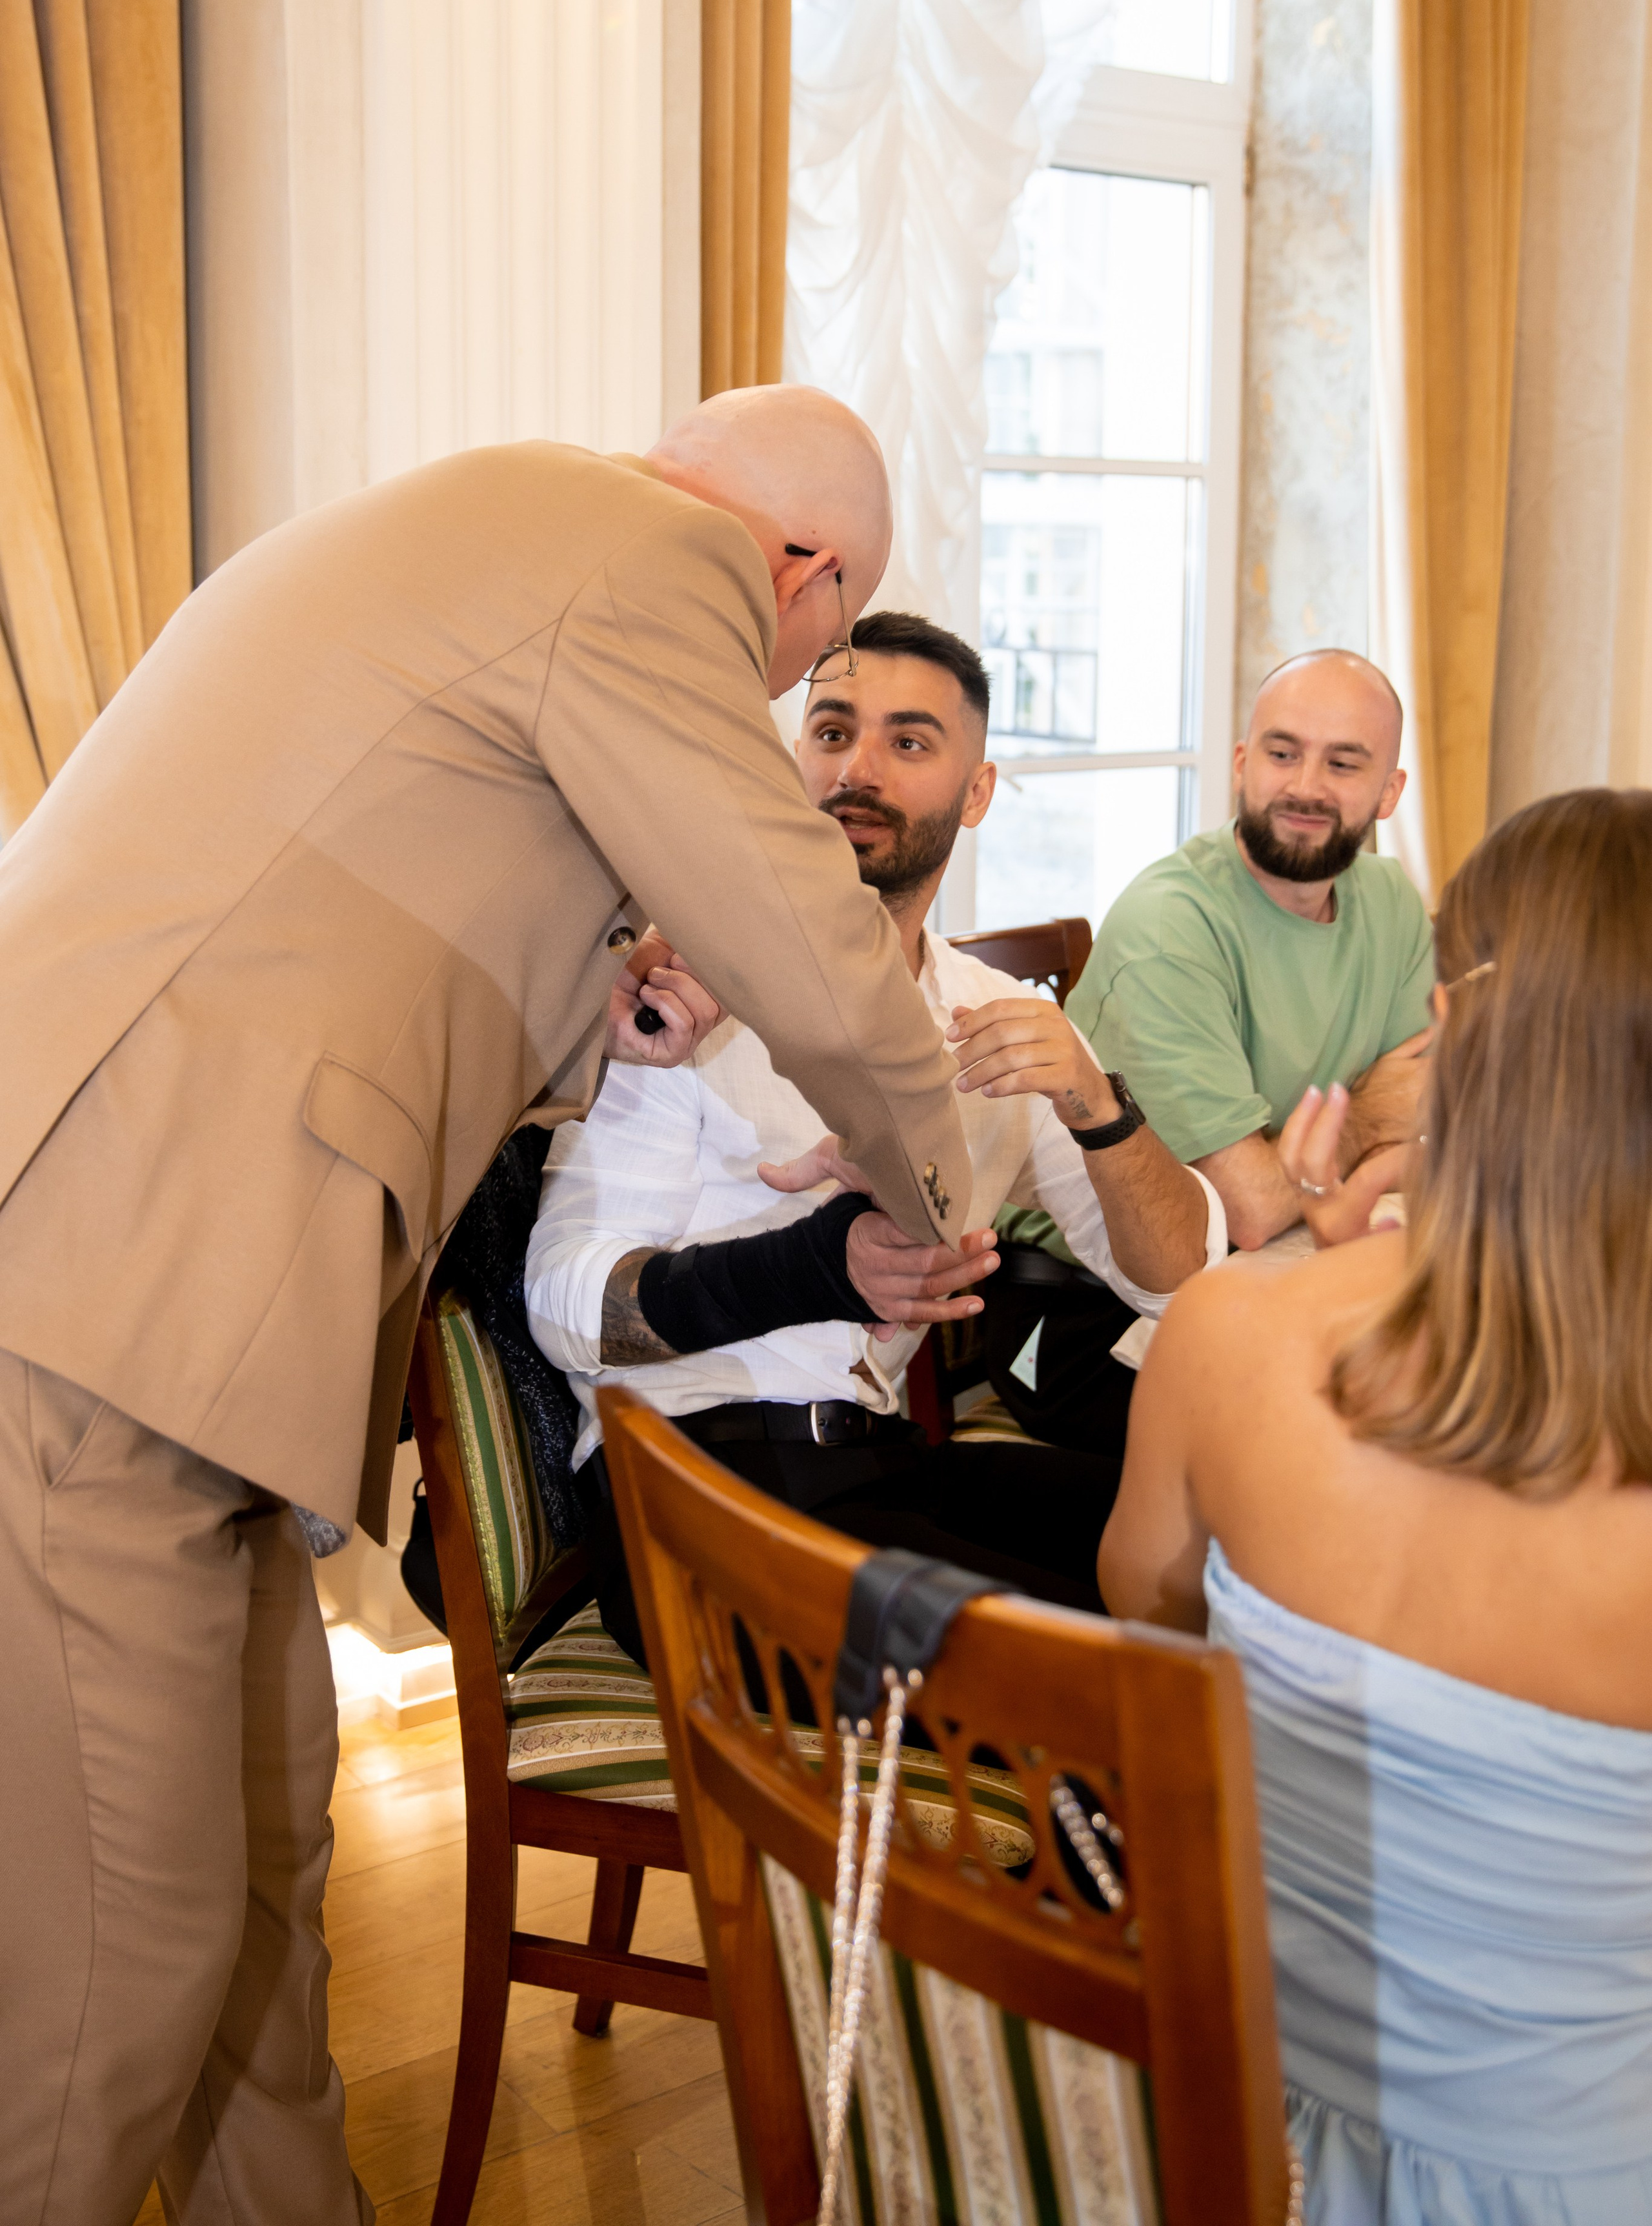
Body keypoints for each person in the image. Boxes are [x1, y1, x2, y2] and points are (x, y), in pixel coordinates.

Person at [0, 388, 982, 2226]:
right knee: (121, 1975)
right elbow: (832, 968)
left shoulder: (509, 533)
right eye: (813, 672)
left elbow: (379, 912)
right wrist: (947, 1208)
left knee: (261, 1908)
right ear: (810, 585)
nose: (785, 703)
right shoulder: (654, 562)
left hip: (174, 1302)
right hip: (103, 1282)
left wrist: (594, 985)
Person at [1100, 787, 1652, 2224]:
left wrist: (1329, 1262)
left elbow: (1151, 1625)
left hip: (1216, 2139)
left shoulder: (1227, 1336)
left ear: (1453, 1030)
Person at [525, 612, 1225, 1661]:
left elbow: (1185, 1279)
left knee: (1233, 1557)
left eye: (908, 742)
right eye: (833, 730)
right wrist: (817, 1266)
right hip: (695, 1505)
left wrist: (1098, 1104)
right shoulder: (678, 998)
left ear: (977, 790)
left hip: (879, 1468)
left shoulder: (988, 1020)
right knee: (1129, 1674)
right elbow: (563, 1309)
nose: (857, 768)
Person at [992, 647, 1434, 1450]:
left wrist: (1318, 1160)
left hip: (1283, 1278)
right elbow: (1249, 1211)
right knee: (1342, 1455)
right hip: (1081, 1312)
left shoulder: (1392, 903)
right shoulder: (1172, 927)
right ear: (1242, 763)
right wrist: (1365, 1119)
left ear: (1389, 790)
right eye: (1281, 752)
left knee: (1456, 1407)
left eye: (1344, 762)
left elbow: (1420, 1131)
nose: (1305, 785)